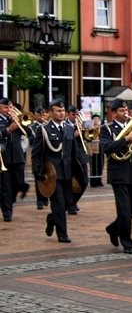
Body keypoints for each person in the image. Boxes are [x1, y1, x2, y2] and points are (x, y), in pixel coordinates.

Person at [31, 99, 79, 242]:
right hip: (53, 173)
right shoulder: (43, 129)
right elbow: (36, 152)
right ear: (51, 113)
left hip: (68, 171)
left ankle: (52, 219)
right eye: (58, 111)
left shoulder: (70, 128)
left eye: (63, 110)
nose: (61, 113)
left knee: (68, 202)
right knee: (58, 203)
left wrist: (78, 169)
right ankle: (62, 234)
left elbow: (73, 152)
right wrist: (37, 171)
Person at [101, 98, 132, 254]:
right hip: (119, 174)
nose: (125, 113)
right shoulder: (107, 129)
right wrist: (126, 139)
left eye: (126, 110)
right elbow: (106, 147)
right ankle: (127, 242)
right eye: (121, 110)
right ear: (113, 113)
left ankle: (113, 228)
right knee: (124, 210)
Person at [0, 98, 31, 221]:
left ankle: (9, 200)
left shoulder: (16, 118)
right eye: (6, 108)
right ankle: (7, 213)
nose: (9, 110)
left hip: (18, 156)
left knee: (19, 183)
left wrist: (21, 122)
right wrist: (8, 130)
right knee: (6, 186)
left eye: (10, 107)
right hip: (4, 157)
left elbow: (29, 133)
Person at [65, 105, 89, 215]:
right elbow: (64, 140)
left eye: (76, 114)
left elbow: (89, 138)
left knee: (84, 181)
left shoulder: (80, 124)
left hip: (80, 157)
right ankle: (70, 204)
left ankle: (74, 201)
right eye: (73, 114)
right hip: (70, 157)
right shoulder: (64, 125)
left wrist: (86, 131)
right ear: (68, 114)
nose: (75, 117)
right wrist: (74, 134)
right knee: (69, 183)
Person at [30, 107, 50, 209]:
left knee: (47, 178)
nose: (41, 117)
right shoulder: (32, 127)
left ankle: (45, 197)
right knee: (38, 177)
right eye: (39, 115)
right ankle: (39, 200)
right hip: (38, 154)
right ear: (35, 115)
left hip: (47, 155)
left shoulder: (48, 125)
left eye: (43, 115)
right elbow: (31, 140)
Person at [88, 114, 105, 187]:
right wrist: (90, 151)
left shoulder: (102, 129)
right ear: (92, 120)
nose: (96, 121)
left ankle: (99, 181)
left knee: (100, 165)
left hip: (101, 149)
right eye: (95, 119)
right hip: (94, 150)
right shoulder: (90, 130)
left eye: (98, 119)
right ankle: (93, 182)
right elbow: (89, 140)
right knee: (94, 166)